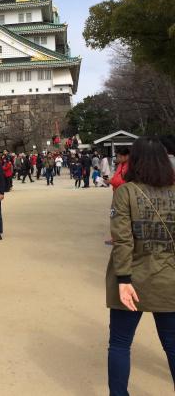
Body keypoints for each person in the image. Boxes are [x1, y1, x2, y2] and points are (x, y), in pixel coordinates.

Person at [106, 137, 175, 394]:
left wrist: (123, 279)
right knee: (172, 345)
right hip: (169, 277)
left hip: (133, 276)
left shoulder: (127, 191)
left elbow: (123, 240)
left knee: (121, 344)